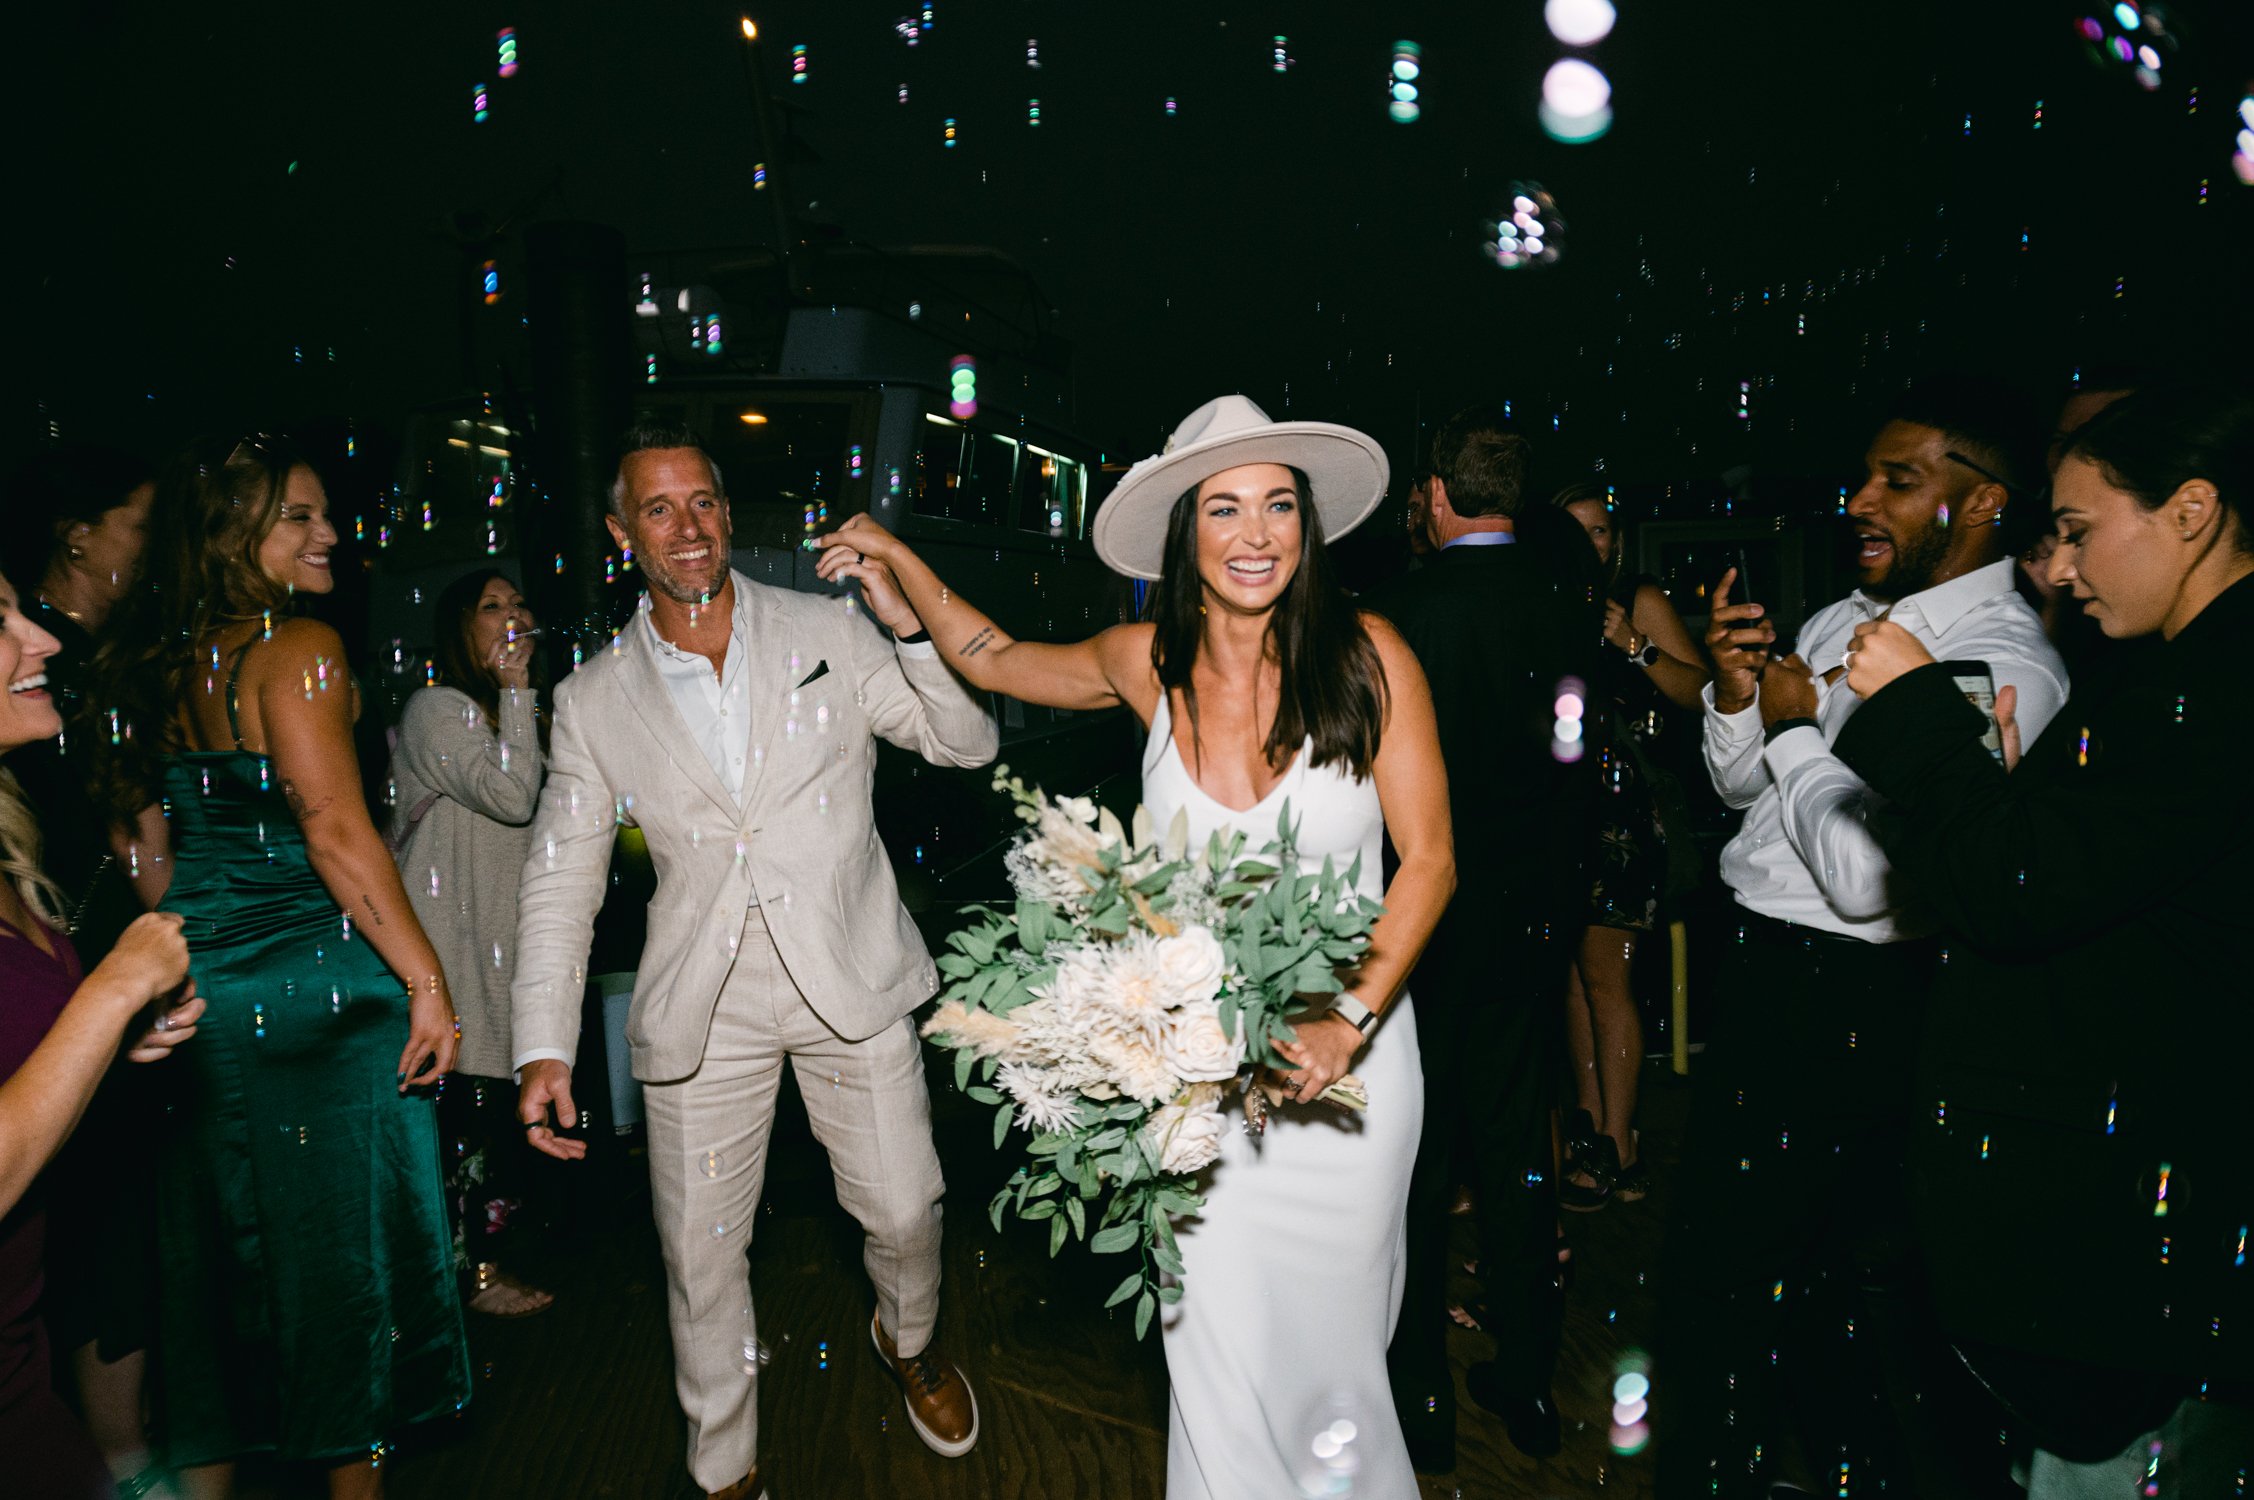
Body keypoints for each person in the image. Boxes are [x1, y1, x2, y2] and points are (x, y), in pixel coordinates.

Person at [817, 394, 1454, 1500]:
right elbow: (999, 656)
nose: (1253, 535)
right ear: (1186, 535)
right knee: (1206, 1346)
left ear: (1304, 529)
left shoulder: (1373, 657)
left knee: (1332, 1364)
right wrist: (898, 570)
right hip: (1192, 1092)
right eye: (1224, 510)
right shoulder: (1140, 663)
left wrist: (1346, 1020)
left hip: (1347, 1084)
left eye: (1276, 508)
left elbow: (1432, 860)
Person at [511, 420, 998, 1500]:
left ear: (727, 514)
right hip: (702, 1007)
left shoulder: (827, 627)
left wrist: (909, 629)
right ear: (620, 532)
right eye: (657, 508)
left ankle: (909, 1343)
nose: (686, 528)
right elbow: (559, 880)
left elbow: (969, 743)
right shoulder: (590, 701)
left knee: (906, 1209)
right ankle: (723, 1466)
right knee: (700, 1259)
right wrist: (543, 1044)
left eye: (703, 504)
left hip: (851, 977)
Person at [1837, 383, 2254, 1496]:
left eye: (2078, 532)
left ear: (2191, 510)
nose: (2059, 568)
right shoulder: (2170, 670)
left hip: (2148, 1229)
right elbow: (2096, 875)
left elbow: (2016, 892)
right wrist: (2008, 800)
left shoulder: (2214, 687)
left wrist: (1920, 715)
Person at [1657, 380, 2071, 1496]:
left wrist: (1795, 734)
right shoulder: (1844, 618)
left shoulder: (2001, 664)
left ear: (1981, 502)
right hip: (1760, 967)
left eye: (1899, 479)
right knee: (1775, 1274)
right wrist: (1739, 697)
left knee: (1743, 1280)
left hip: (1846, 995)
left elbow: (1860, 884)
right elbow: (1738, 787)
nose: (1858, 500)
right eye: (1865, 475)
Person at [89, 436, 470, 1499]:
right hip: (320, 994)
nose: (333, 535)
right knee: (345, 1274)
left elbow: (149, 861)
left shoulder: (160, 661)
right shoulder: (296, 644)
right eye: (298, 517)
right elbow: (336, 831)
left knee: (216, 1278)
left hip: (202, 992)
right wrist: (428, 983)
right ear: (230, 536)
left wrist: (206, 953)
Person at [1348, 412, 1596, 1468]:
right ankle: (1530, 1384)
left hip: (1431, 917)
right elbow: (1575, 761)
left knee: (1415, 1158)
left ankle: (1420, 1403)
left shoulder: (1398, 613)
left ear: (1437, 495)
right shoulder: (1565, 605)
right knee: (1513, 1154)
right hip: (1534, 918)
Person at [0, 568, 201, 1499]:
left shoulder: (10, 829)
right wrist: (110, 993)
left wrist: (106, 1050)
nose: (39, 638)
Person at [388, 570, 553, 1318]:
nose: (513, 614)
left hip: (504, 953)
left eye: (519, 603)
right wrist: (518, 689)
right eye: (492, 606)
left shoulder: (511, 718)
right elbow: (513, 799)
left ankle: (471, 1270)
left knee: (490, 1121)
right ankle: (464, 1281)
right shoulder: (436, 709)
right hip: (450, 957)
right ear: (460, 630)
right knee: (464, 1126)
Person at [1550, 483, 1709, 1213]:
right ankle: (1597, 1136)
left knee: (1609, 979)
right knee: (1577, 981)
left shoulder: (1637, 598)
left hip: (1624, 812)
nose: (1595, 543)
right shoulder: (1549, 597)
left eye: (1604, 529)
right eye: (1578, 530)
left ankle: (1622, 1143)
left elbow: (1698, 690)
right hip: (1565, 810)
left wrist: (1632, 644)